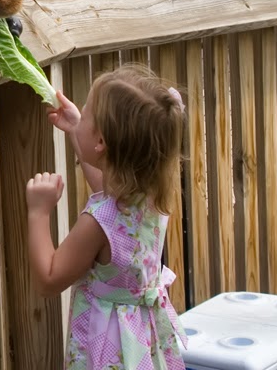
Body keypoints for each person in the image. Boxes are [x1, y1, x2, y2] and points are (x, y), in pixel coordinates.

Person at [26, 65, 187, 370]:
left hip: (104, 349)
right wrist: (77, 129)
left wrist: (39, 211)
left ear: (101, 142)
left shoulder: (98, 222)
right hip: (140, 342)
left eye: (85, 115)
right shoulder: (149, 196)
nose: (81, 115)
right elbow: (111, 189)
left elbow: (48, 280)